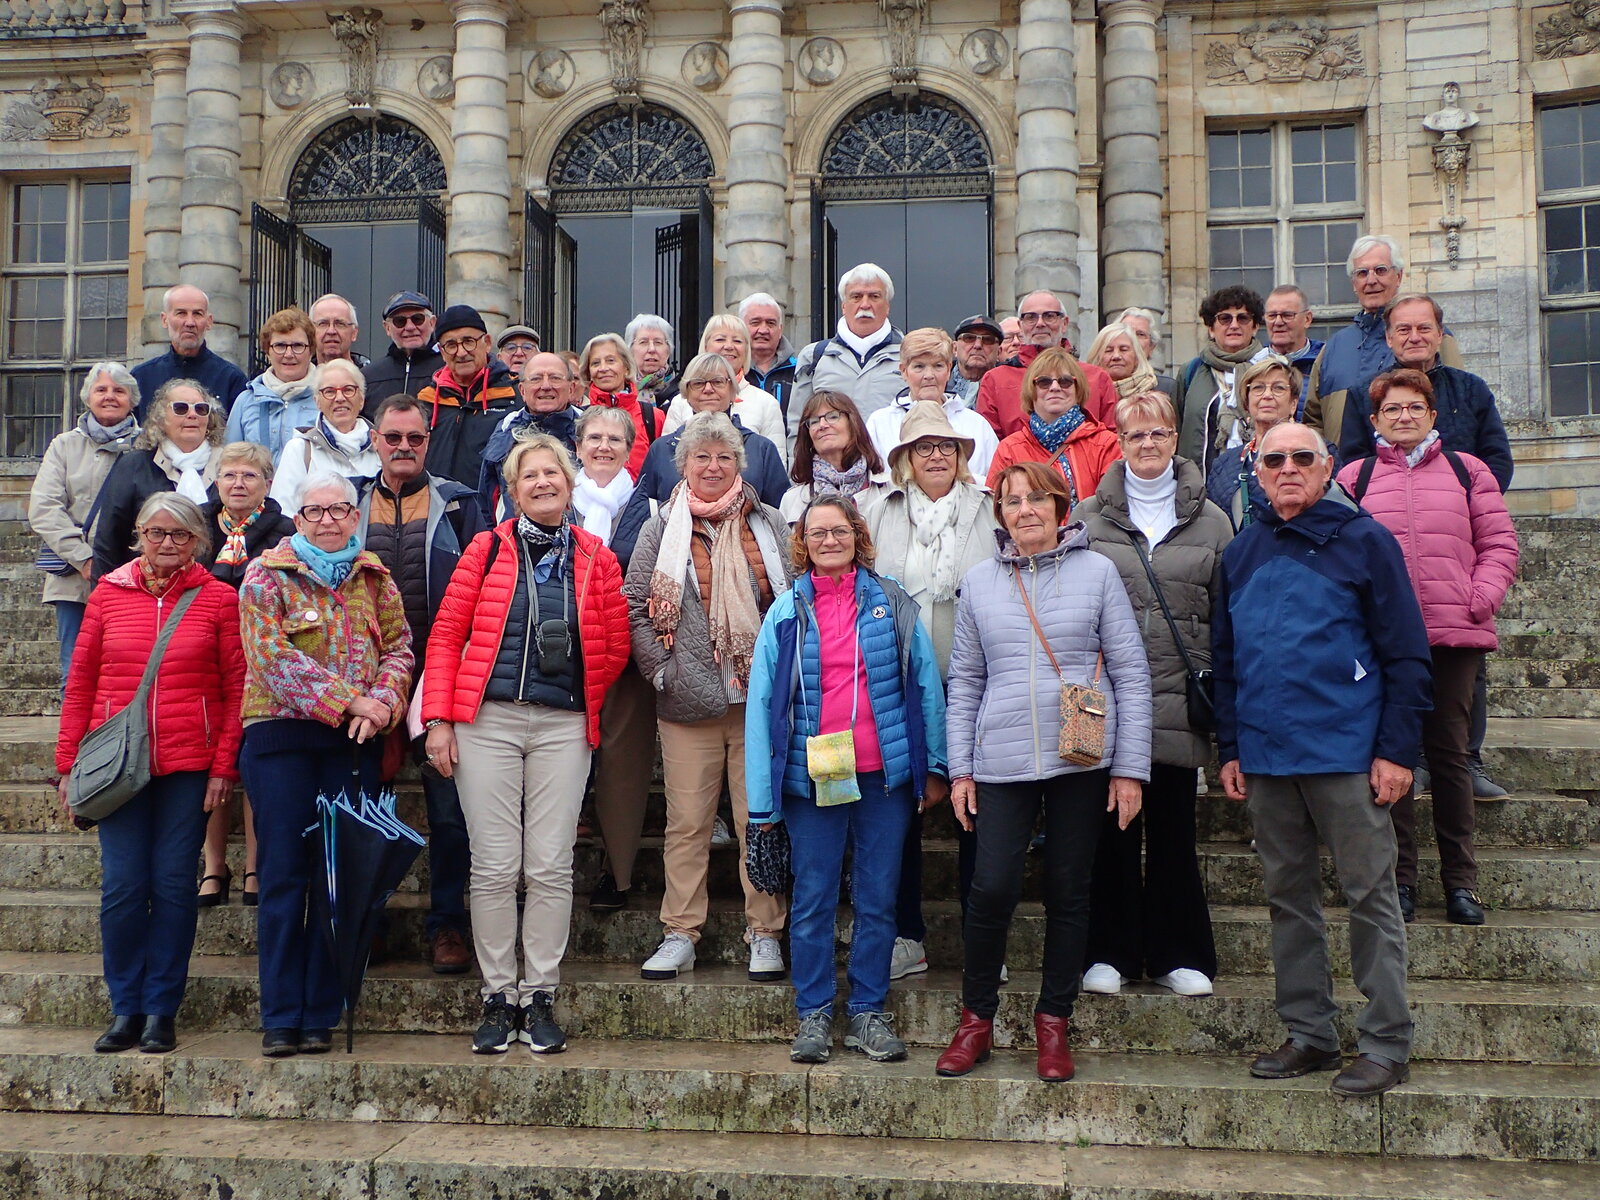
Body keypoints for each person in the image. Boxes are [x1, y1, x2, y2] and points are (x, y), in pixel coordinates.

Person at [1213, 421, 1432, 1098]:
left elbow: (1406, 653)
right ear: (1255, 466)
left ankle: (1386, 1041)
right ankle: (1308, 1030)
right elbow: (1225, 661)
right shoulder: (1241, 551)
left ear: (1327, 465)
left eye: (1300, 458)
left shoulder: (1366, 541)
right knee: (1287, 898)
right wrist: (1231, 746)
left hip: (1348, 753)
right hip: (1269, 755)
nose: (1286, 468)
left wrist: (1395, 751)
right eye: (1272, 458)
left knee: (1371, 897)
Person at [937, 461, 1152, 1083]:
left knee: (1068, 888)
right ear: (999, 512)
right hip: (1000, 759)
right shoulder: (979, 582)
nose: (1024, 509)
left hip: (1080, 758)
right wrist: (960, 770)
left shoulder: (1099, 573)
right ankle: (975, 1019)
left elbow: (1132, 674)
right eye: (1012, 501)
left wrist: (1130, 769)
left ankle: (1053, 1022)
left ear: (1062, 507)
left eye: (1037, 499)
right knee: (992, 887)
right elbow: (968, 681)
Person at [422, 433, 630, 1054]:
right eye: (529, 476)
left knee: (548, 864)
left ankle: (538, 993)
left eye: (553, 475)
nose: (543, 483)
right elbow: (446, 636)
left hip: (564, 726)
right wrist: (438, 719)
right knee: (493, 864)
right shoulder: (484, 551)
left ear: (570, 485)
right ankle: (497, 994)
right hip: (486, 721)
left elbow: (615, 643)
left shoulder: (597, 557)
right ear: (511, 491)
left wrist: (583, 692)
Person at [746, 496, 949, 1065]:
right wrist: (761, 803)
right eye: (817, 533)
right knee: (811, 900)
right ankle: (813, 1013)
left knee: (878, 898)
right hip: (810, 781)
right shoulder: (785, 610)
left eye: (839, 531)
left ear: (857, 535)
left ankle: (867, 1011)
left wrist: (935, 766)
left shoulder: (892, 602)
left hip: (883, 777)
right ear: (802, 543)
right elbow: (761, 706)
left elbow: (927, 685)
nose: (829, 541)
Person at [56, 493, 244, 1055]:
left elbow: (236, 690)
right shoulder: (108, 595)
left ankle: (162, 1007)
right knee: (121, 888)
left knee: (171, 887)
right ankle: (125, 1007)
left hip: (188, 765)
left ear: (198, 542)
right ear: (138, 534)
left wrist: (223, 765)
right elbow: (81, 682)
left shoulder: (217, 599)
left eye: (180, 535)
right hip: (117, 769)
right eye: (156, 533)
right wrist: (67, 765)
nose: (167, 543)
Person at [238, 473, 414, 1058]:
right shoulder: (266, 575)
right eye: (315, 511)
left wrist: (384, 702)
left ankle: (322, 1010)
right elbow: (270, 657)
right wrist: (349, 702)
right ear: (297, 517)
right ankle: (281, 1014)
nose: (329, 520)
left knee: (336, 879)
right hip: (282, 742)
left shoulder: (374, 576)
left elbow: (399, 649)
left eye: (340, 508)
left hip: (351, 746)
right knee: (284, 874)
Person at [1335, 369, 1519, 926]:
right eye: (1392, 409)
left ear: (1433, 415)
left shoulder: (1469, 470)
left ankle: (1462, 882)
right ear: (1375, 421)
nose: (1404, 417)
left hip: (1452, 635)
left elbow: (1499, 542)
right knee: (1392, 759)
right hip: (1382, 643)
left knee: (1450, 758)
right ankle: (1401, 880)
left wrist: (1478, 597)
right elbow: (1336, 554)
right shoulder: (1353, 478)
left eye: (1415, 407)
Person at [623, 411, 793, 982]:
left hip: (760, 704)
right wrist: (663, 673)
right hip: (687, 703)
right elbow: (636, 603)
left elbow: (794, 604)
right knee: (688, 823)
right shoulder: (660, 525)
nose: (714, 466)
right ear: (684, 464)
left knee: (759, 820)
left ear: (740, 464)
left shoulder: (769, 525)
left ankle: (764, 931)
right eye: (702, 457)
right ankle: (679, 932)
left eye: (725, 457)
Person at [1075, 393, 1233, 998]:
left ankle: (1178, 951)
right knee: (1109, 832)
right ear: (1118, 439)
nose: (1148, 444)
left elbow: (1225, 613)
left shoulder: (1212, 520)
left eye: (1159, 433)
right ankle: (1108, 950)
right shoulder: (1089, 518)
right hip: (1106, 697)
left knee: (1172, 830)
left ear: (1175, 439)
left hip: (1176, 693)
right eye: (1136, 434)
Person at [860, 401, 999, 979]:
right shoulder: (877, 510)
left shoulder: (991, 510)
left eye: (946, 447)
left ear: (963, 455)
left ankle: (981, 940)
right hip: (900, 682)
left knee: (979, 811)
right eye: (923, 447)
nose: (936, 455)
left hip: (978, 678)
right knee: (903, 810)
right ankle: (906, 936)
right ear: (905, 459)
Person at [357, 394, 487, 973]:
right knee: (366, 806)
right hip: (365, 680)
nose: (403, 448)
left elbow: (483, 590)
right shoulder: (347, 505)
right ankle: (367, 921)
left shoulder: (459, 506)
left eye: (414, 438)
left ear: (427, 442)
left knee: (450, 812)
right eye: (393, 438)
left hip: (439, 675)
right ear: (376, 440)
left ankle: (447, 925)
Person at [1375, 294, 1515, 798]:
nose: (1414, 337)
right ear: (1389, 338)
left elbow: (1497, 458)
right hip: (1392, 556)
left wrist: (1468, 506)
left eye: (1423, 328)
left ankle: (1467, 761)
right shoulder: (1372, 394)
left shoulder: (1471, 390)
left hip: (1456, 547)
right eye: (1403, 330)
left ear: (1439, 334)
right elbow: (1351, 469)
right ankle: (1411, 760)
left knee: (1465, 668)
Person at [194, 442, 296, 908]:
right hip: (202, 657)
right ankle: (215, 865)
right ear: (216, 481)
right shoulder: (194, 525)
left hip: (261, 660)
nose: (238, 484)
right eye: (230, 475)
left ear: (268, 485)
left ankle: (256, 864)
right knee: (209, 760)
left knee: (254, 760)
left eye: (249, 476)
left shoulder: (285, 532)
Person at [574, 405, 656, 913]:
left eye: (615, 440)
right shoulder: (553, 495)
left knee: (623, 767)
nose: (604, 447)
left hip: (627, 653)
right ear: (578, 445)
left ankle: (617, 872)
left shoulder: (650, 508)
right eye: (594, 438)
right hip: (559, 653)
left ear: (630, 450)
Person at [29, 362, 140, 683]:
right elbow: (44, 507)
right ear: (87, 397)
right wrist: (84, 558)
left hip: (131, 576)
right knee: (76, 673)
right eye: (101, 389)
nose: (109, 396)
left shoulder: (147, 446)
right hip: (74, 579)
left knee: (126, 674)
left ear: (132, 400)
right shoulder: (64, 445)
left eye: (119, 391)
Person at [1302, 235, 1463, 453]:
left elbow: (1457, 406)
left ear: (1398, 276)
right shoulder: (1334, 347)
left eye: (1380, 270)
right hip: (1345, 476)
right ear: (1353, 284)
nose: (1371, 280)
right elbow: (1313, 419)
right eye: (1362, 273)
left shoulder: (1431, 339)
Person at [623, 353, 790, 526]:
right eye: (698, 383)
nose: (708, 389)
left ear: (733, 390)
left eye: (717, 382)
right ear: (686, 393)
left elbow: (777, 517)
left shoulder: (761, 449)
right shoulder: (661, 449)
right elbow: (642, 511)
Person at [93, 380, 225, 579]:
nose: (192, 415)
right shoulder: (134, 466)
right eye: (181, 408)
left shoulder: (228, 467)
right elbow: (108, 541)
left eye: (201, 409)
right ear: (161, 419)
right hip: (143, 589)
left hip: (214, 590)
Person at [985, 349, 1122, 509]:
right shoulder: (1009, 449)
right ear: (1032, 390)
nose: (1055, 387)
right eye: (1044, 382)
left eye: (1065, 381)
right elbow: (996, 509)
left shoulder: (1106, 445)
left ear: (1078, 390)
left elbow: (1112, 507)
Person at [789, 263, 905, 444]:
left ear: (887, 306)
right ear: (843, 306)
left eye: (874, 296)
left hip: (893, 469)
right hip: (832, 469)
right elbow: (798, 426)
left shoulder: (909, 355)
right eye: (856, 297)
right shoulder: (814, 357)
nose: (865, 304)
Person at [976, 291, 1117, 436]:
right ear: (1021, 325)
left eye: (1049, 316)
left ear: (1064, 323)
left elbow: (1113, 443)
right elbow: (989, 444)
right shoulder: (995, 380)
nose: (1040, 323)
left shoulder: (1097, 378)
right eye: (1031, 317)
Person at [866, 327, 998, 481]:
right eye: (919, 367)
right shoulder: (880, 423)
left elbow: (994, 482)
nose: (929, 375)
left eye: (938, 366)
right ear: (903, 371)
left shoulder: (977, 424)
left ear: (949, 369)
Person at [415, 306, 519, 490]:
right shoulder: (425, 402)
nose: (461, 352)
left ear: (487, 342)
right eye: (451, 345)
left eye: (468, 341)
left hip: (491, 513)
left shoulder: (514, 396)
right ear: (441, 350)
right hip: (437, 511)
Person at [479, 352, 583, 524]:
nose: (546, 386)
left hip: (581, 544)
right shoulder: (506, 429)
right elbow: (487, 499)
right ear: (522, 390)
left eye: (555, 378)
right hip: (515, 543)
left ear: (571, 388)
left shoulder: (590, 428)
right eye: (536, 379)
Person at [1205, 355, 1306, 529]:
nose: (1267, 395)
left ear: (1293, 404)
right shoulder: (1223, 465)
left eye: (1278, 388)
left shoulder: (1314, 453)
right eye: (1258, 388)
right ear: (1247, 403)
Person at [664, 314, 787, 455]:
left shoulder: (766, 403)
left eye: (737, 341)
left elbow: (776, 465)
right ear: (705, 346)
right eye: (720, 339)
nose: (729, 346)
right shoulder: (680, 402)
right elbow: (666, 459)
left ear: (746, 350)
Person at [1176, 285, 1268, 473]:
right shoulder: (1191, 372)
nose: (1234, 325)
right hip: (1201, 484)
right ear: (1211, 328)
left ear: (1255, 326)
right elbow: (1175, 430)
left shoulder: (1269, 370)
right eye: (1224, 318)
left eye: (1243, 318)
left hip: (1258, 480)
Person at [270, 359, 381, 507]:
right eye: (330, 392)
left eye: (348, 390)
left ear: (361, 399)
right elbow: (284, 512)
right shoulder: (300, 450)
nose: (340, 398)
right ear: (317, 402)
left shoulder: (381, 447)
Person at [130, 284, 247, 421]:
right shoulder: (141, 378)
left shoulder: (231, 379)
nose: (190, 322)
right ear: (164, 319)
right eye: (181, 313)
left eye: (197, 314)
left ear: (209, 322)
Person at [225, 307, 319, 462]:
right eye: (280, 346)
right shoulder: (246, 401)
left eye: (297, 346)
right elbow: (229, 459)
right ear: (267, 352)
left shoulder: (326, 398)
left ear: (311, 351)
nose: (289, 354)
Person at [781, 390, 884, 523]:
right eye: (814, 421)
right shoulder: (792, 500)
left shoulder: (889, 492)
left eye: (833, 416)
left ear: (853, 424)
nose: (822, 425)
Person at [581, 332, 665, 481]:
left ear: (626, 367)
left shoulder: (653, 417)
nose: (603, 368)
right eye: (595, 363)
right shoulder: (579, 418)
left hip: (639, 502)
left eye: (610, 361)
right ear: (589, 373)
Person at [363, 291, 444, 413]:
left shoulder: (448, 369)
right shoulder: (369, 377)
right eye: (400, 321)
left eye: (417, 319)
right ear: (387, 328)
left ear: (432, 323)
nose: (410, 327)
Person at [1261, 286, 1323, 416]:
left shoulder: (1326, 363)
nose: (1278, 322)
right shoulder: (1253, 365)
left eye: (1287, 315)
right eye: (1272, 316)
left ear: (1307, 319)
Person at [740, 293, 797, 417]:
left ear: (780, 330)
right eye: (755, 323)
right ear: (741, 327)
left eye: (770, 323)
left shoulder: (799, 372)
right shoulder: (729, 373)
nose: (763, 330)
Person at [1086, 321, 1167, 407]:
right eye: (1108, 350)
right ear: (1097, 357)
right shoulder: (1083, 393)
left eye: (1124, 349)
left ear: (1136, 356)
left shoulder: (1163, 389)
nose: (1116, 356)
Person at [1114, 307, 1178, 398]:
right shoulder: (1096, 388)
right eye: (1126, 332)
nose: (1133, 339)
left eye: (1140, 334)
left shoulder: (1167, 389)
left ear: (1151, 347)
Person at [627, 313, 680, 407]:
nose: (652, 349)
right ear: (630, 350)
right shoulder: (621, 392)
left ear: (668, 350)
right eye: (643, 342)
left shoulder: (682, 393)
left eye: (658, 342)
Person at [948, 315, 1004, 403]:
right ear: (954, 348)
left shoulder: (1010, 387)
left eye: (988, 339)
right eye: (969, 338)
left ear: (999, 352)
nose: (978, 345)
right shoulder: (937, 382)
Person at [309, 294, 368, 369]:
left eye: (340, 324)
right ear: (310, 332)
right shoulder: (299, 378)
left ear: (354, 333)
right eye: (323, 323)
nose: (331, 331)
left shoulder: (372, 377)